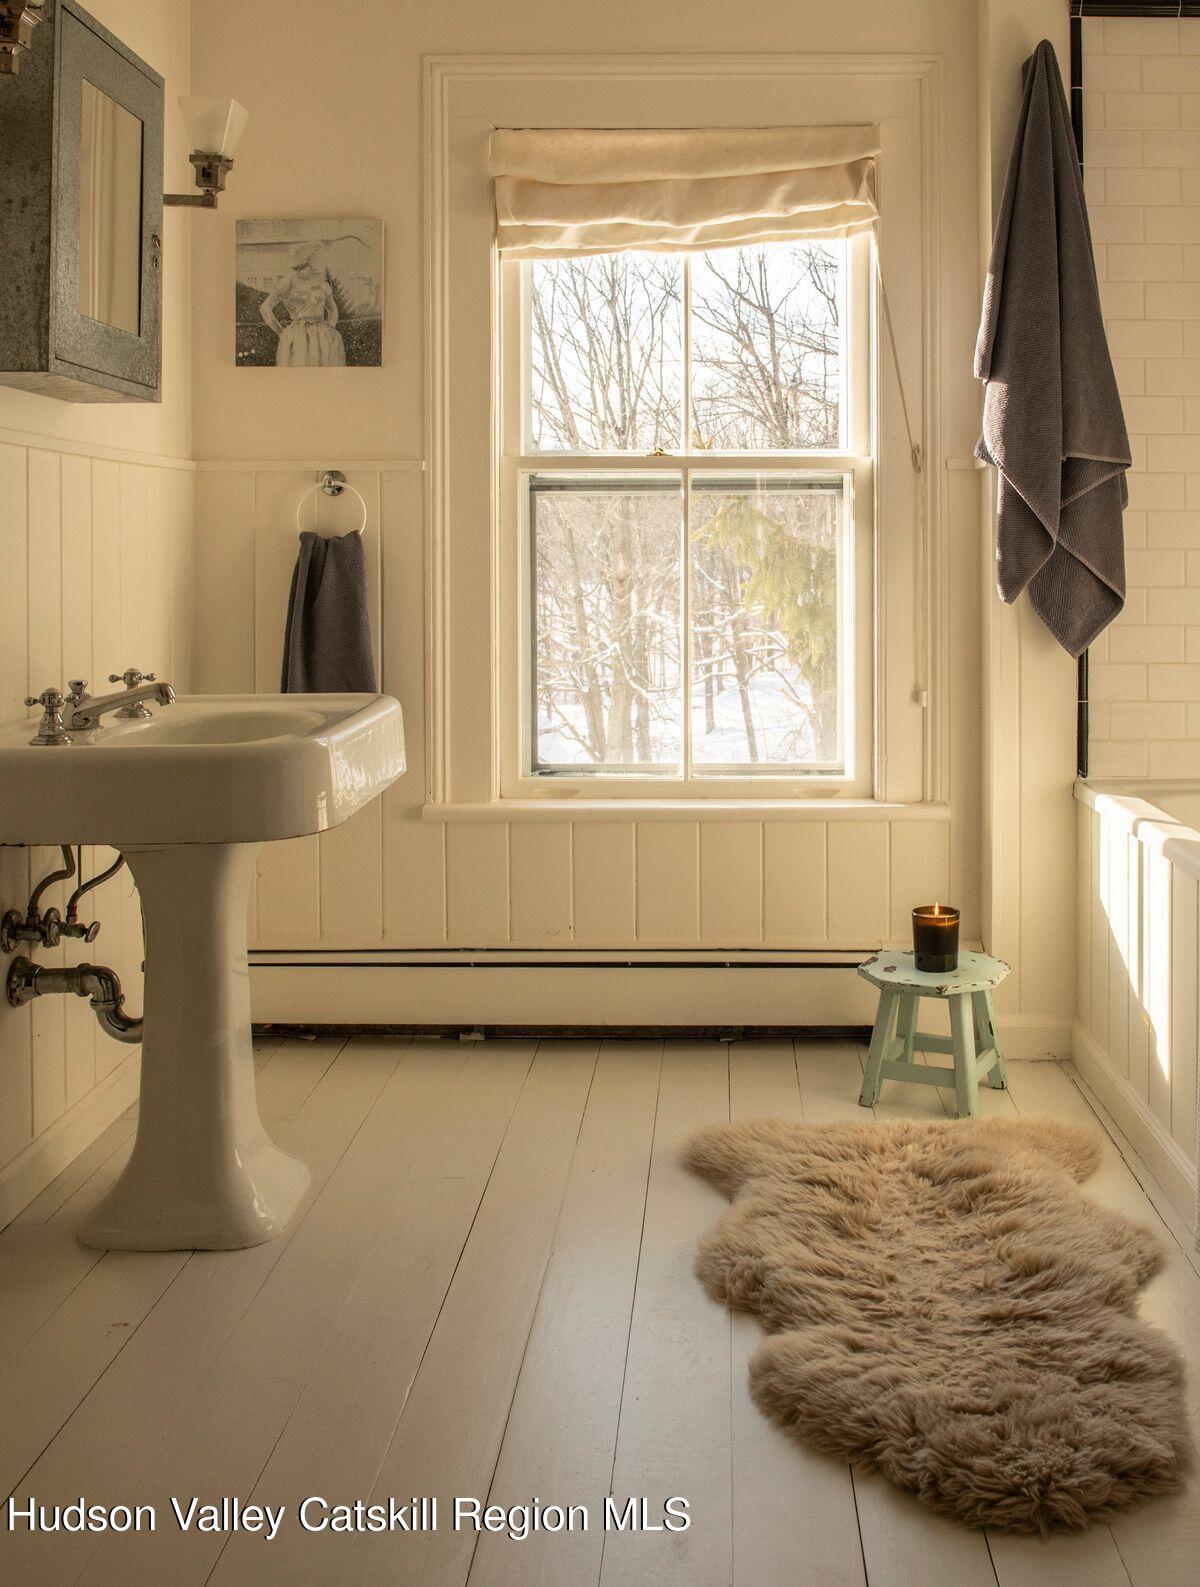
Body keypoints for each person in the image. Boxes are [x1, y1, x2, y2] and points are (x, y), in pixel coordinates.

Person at [259, 242, 346, 367]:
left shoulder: (321, 283)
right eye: (317, 258)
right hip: (298, 335)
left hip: (323, 335)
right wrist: (280, 332)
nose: (320, 262)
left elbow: (332, 309)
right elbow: (265, 308)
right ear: (307, 259)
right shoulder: (289, 281)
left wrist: (331, 328)